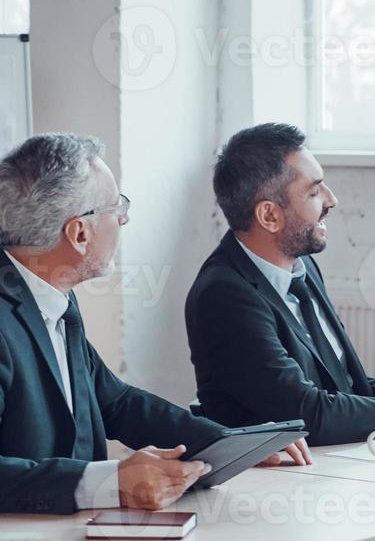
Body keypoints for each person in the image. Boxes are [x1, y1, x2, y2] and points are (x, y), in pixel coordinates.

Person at [0, 133, 305, 515]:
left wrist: (233, 444)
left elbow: (116, 402)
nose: (124, 218)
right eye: (116, 207)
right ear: (79, 233)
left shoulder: (49, 290)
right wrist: (110, 483)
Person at [185, 123, 375, 447]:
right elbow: (309, 415)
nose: (332, 200)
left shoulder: (301, 266)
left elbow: (335, 385)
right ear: (269, 216)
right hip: (279, 482)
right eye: (314, 191)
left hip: (337, 463)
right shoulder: (225, 296)